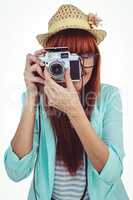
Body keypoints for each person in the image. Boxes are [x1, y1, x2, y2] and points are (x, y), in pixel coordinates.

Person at [4, 4, 129, 200]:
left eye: (84, 55)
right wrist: (31, 95)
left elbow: (112, 173)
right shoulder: (35, 99)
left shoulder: (109, 96)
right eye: (66, 56)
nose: (76, 65)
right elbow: (15, 172)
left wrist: (74, 111)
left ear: (96, 58)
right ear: (47, 59)